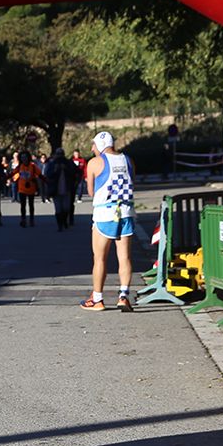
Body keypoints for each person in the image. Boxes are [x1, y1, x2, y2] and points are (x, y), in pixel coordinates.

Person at [83, 131, 135, 311]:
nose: (92, 149)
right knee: (125, 257)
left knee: (100, 258)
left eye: (93, 145)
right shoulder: (128, 160)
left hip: (104, 214)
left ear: (100, 145)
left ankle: (97, 299)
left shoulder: (94, 163)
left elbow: (90, 192)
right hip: (126, 212)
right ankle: (124, 295)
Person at [42, 148, 79, 230]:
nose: (60, 156)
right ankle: (60, 225)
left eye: (61, 154)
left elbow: (76, 172)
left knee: (66, 207)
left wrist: (66, 169)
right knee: (58, 208)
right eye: (58, 154)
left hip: (67, 188)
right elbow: (47, 174)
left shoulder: (68, 163)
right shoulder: (52, 164)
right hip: (56, 189)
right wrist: (55, 170)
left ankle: (65, 221)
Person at [11, 151, 41, 227]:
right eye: (22, 157)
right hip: (22, 188)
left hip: (31, 188)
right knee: (23, 205)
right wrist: (6, 178)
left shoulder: (33, 166)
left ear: (28, 158)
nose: (24, 159)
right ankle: (23, 219)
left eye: (25, 157)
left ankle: (31, 219)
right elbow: (13, 173)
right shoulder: (20, 166)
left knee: (31, 205)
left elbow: (40, 174)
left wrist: (47, 181)